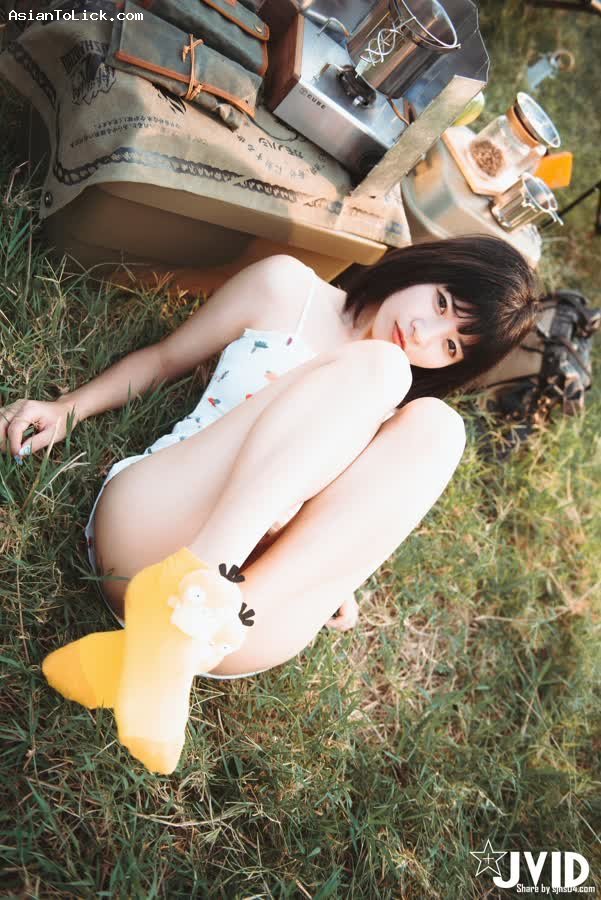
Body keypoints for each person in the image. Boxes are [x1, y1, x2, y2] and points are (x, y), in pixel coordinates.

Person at [1, 237, 538, 772]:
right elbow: (166, 358)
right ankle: (191, 597)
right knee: (384, 367)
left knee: (442, 428)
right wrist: (68, 407)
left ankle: (177, 639)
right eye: (441, 303)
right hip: (158, 525)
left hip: (240, 622)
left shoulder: (400, 423)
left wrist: (333, 570)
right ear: (426, 265)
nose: (424, 333)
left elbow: (346, 520)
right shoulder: (288, 289)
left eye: (451, 347)